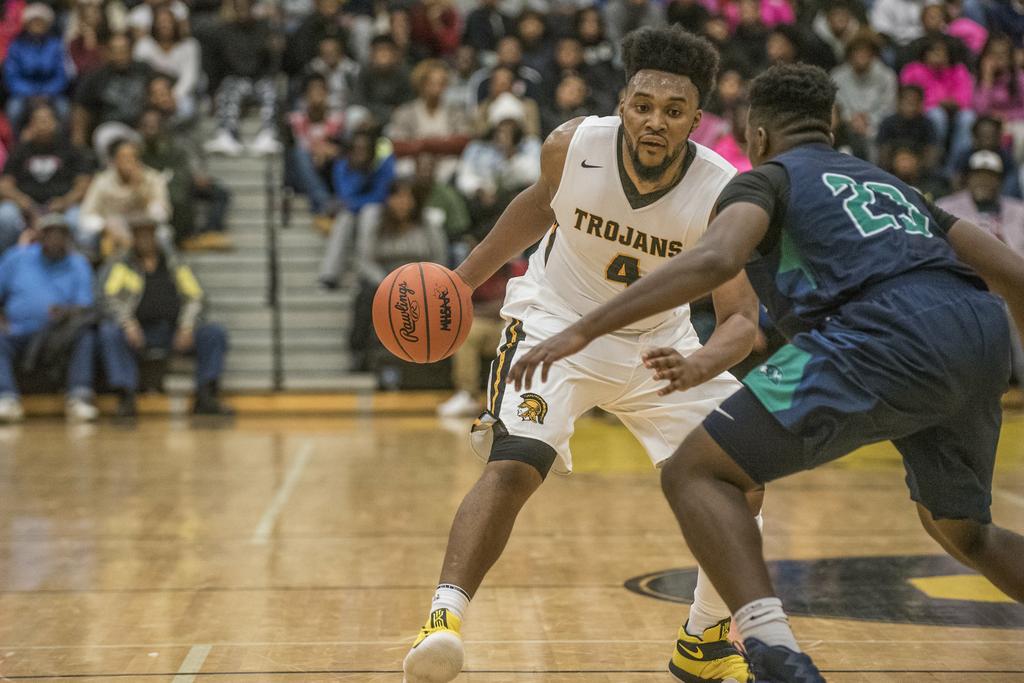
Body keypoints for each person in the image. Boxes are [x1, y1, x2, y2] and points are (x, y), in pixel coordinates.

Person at [509, 63, 1024, 682]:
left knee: (697, 470)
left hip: (879, 331)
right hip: (977, 330)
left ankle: (774, 654)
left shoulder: (768, 180)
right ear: (830, 128)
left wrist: (587, 326)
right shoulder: (891, 187)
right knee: (966, 532)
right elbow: (1015, 276)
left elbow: (717, 258)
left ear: (755, 138)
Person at [402, 26, 760, 683]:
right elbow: (536, 208)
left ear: (695, 121)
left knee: (745, 472)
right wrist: (461, 277)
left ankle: (703, 641)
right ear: (623, 103)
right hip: (554, 324)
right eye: (644, 105)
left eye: (673, 111)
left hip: (662, 344)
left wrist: (704, 364)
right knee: (516, 465)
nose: (655, 121)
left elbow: (741, 317)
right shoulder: (572, 145)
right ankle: (442, 619)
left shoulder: (721, 191)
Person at [98, 218, 232, 417]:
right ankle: (125, 396)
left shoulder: (175, 263)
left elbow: (196, 296)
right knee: (109, 333)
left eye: (148, 234)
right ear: (133, 238)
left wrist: (187, 326)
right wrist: (127, 324)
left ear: (156, 237)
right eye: (139, 235)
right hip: (139, 332)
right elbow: (109, 298)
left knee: (214, 333)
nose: (144, 239)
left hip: (173, 331)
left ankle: (206, 395)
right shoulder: (122, 265)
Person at [0, 214, 98, 423]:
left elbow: (86, 307)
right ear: (39, 236)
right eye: (49, 234)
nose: (55, 240)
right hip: (17, 331)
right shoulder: (16, 258)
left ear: (68, 238)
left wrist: (67, 312)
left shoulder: (79, 264)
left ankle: (79, 397)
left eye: (61, 234)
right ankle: (6, 398)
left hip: (57, 334)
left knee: (85, 334)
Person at [0, 102, 92, 253]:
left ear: (55, 123)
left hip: (63, 207)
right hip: (25, 209)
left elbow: (84, 184)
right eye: (38, 120)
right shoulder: (19, 150)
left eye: (47, 120)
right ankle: (6, 264)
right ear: (31, 125)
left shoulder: (70, 149)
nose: (43, 124)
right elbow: (4, 185)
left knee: (77, 221)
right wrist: (24, 203)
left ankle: (74, 266)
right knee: (4, 216)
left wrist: (65, 202)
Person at [203, 0, 281, 156]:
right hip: (235, 79)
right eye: (239, 7)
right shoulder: (223, 31)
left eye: (246, 7)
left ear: (252, 8)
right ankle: (227, 134)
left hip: (259, 79)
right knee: (229, 86)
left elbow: (272, 62)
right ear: (233, 9)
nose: (243, 11)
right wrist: (212, 92)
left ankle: (268, 134)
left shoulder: (265, 28)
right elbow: (215, 64)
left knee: (271, 89)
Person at [72, 33, 154, 149]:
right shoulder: (95, 77)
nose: (120, 55)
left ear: (131, 51)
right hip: (110, 129)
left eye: (124, 50)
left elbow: (159, 92)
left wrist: (153, 114)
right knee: (106, 137)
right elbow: (81, 110)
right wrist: (78, 139)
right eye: (116, 50)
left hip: (141, 126)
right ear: (108, 53)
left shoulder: (144, 70)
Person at [3, 3, 69, 126]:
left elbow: (62, 74)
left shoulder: (56, 46)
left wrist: (48, 92)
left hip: (51, 93)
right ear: (26, 24)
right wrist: (30, 93)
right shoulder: (16, 46)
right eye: (34, 22)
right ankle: (17, 143)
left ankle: (62, 142)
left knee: (64, 109)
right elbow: (11, 75)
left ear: (48, 24)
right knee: (14, 110)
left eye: (41, 22)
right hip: (23, 94)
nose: (37, 26)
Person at [132, 6, 201, 123]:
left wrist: (173, 96)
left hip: (180, 92)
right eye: (161, 22)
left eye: (168, 21)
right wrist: (156, 97)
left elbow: (189, 77)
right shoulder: (143, 46)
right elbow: (139, 75)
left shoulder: (190, 45)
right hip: (151, 94)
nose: (165, 25)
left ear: (176, 24)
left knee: (187, 109)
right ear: (154, 25)